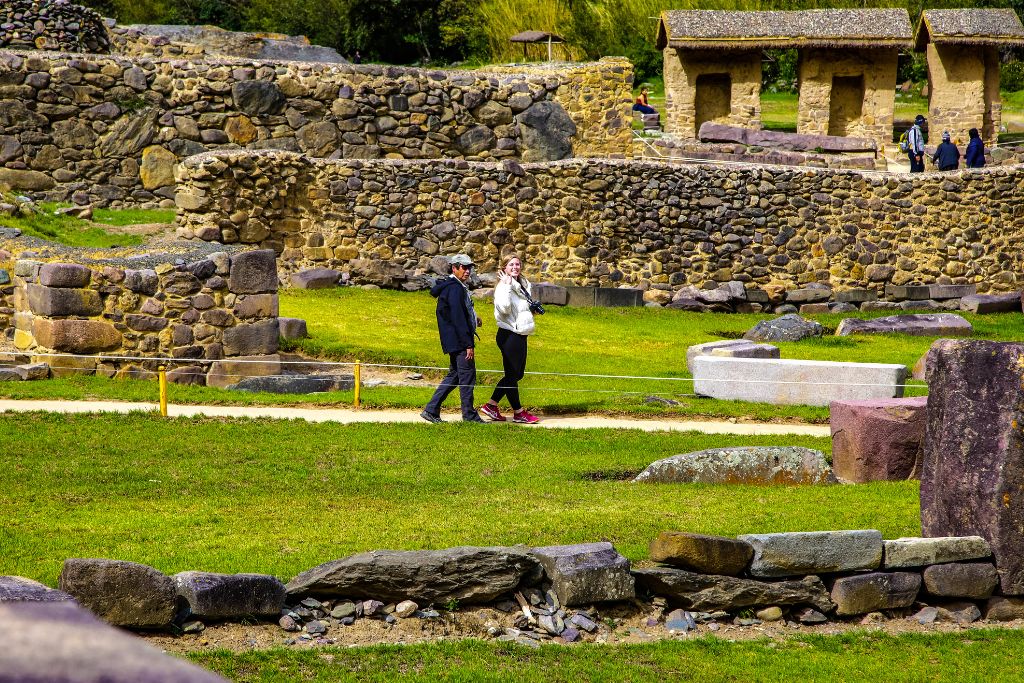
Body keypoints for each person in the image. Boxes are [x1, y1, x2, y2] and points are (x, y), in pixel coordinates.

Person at [421, 254, 485, 424]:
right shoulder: (455, 288)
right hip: (460, 341)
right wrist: (468, 344)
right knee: (467, 377)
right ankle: (469, 416)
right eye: (464, 267)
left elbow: (458, 312)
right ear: (454, 268)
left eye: (469, 267)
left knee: (455, 375)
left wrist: (474, 317)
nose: (467, 270)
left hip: (454, 340)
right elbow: (457, 318)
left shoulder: (454, 286)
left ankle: (431, 409)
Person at [479, 255, 540, 425]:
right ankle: (519, 412)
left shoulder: (523, 285)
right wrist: (506, 286)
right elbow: (505, 309)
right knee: (512, 375)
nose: (515, 267)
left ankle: (491, 405)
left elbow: (520, 309)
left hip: (521, 333)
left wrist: (531, 310)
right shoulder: (502, 287)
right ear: (504, 268)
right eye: (511, 264)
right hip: (509, 334)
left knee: (517, 374)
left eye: (517, 264)